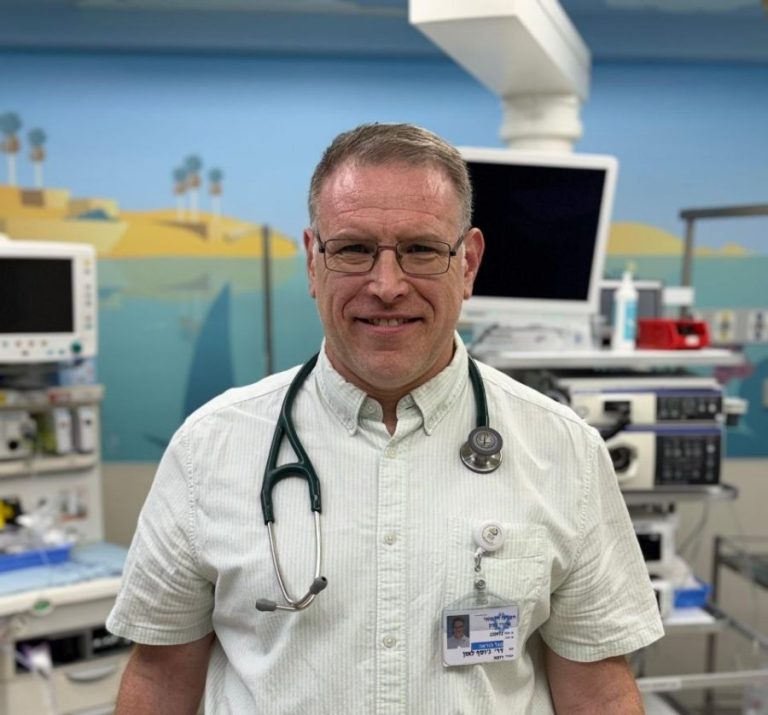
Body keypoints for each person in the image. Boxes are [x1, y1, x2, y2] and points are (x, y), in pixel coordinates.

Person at [107, 122, 664, 714]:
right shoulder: (209, 449)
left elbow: (598, 690)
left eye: (421, 249)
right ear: (313, 261)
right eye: (354, 249)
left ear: (468, 263)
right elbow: (161, 679)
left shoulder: (564, 451)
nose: (387, 285)